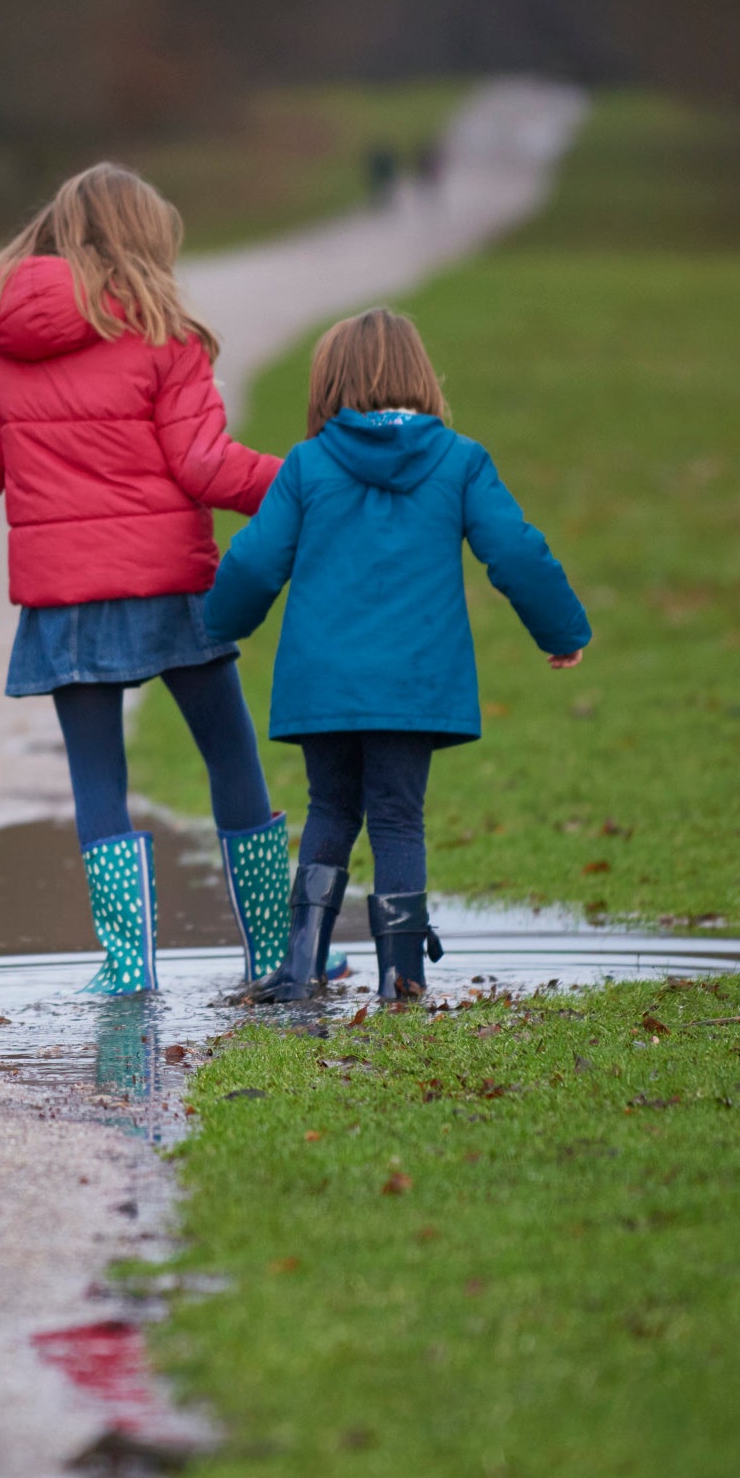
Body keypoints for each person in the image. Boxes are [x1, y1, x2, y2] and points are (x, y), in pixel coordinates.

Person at [0, 162, 290, 998]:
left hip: (69, 605)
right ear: (147, 242)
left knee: (97, 776)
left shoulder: (6, 347)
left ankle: (128, 967)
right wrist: (304, 485)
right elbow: (205, 466)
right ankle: (273, 954)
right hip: (173, 587)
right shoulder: (167, 333)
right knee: (230, 753)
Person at [203, 307, 590, 1004]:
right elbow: (517, 552)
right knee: (396, 818)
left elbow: (257, 562)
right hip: (413, 687)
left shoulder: (309, 464)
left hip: (324, 687)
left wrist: (219, 621)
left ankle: (300, 970)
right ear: (422, 377)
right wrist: (561, 631)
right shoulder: (460, 461)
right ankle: (400, 975)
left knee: (330, 808)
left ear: (329, 385)